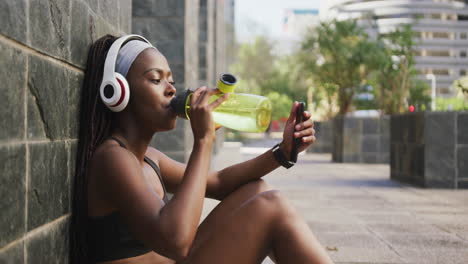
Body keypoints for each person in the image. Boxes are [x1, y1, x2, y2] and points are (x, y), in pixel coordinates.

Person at [69, 34, 333, 264]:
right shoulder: (112, 157)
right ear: (119, 92)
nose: (172, 89)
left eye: (171, 80)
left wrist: (283, 152)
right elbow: (175, 241)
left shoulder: (149, 158)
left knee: (258, 190)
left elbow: (217, 183)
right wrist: (203, 142)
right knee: (271, 205)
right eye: (156, 80)